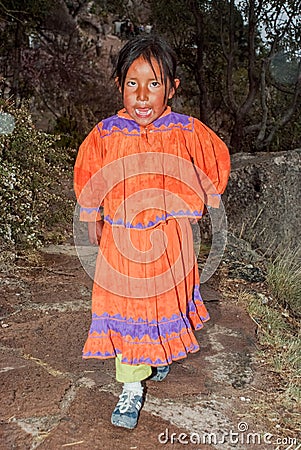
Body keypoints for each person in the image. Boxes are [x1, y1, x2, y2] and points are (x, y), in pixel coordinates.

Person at [74, 35, 230, 430]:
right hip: (121, 242)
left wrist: (197, 202)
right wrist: (92, 213)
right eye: (132, 83)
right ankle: (130, 387)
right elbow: (90, 173)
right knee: (128, 309)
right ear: (118, 85)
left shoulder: (186, 130)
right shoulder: (107, 133)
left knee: (161, 302)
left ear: (173, 88)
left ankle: (156, 353)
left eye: (154, 84)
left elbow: (215, 159)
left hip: (170, 239)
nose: (142, 96)